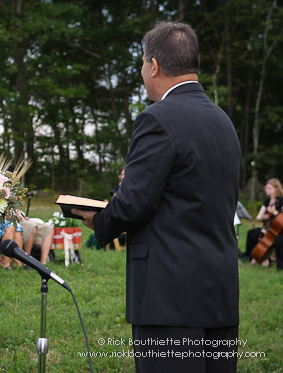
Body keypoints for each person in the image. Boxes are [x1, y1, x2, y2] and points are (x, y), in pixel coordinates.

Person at [74, 22, 241, 373]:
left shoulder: (158, 119)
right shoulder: (223, 122)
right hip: (221, 292)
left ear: (154, 66)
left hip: (171, 294)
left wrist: (100, 219)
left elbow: (135, 201)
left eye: (142, 64)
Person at [240, 178, 283, 266]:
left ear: (276, 189)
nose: (266, 190)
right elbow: (259, 217)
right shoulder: (267, 202)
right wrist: (263, 216)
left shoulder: (281, 200)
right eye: (266, 188)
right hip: (267, 227)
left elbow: (281, 218)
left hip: (278, 230)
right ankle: (250, 255)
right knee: (251, 233)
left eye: (269, 188)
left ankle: (265, 259)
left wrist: (274, 212)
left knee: (261, 235)